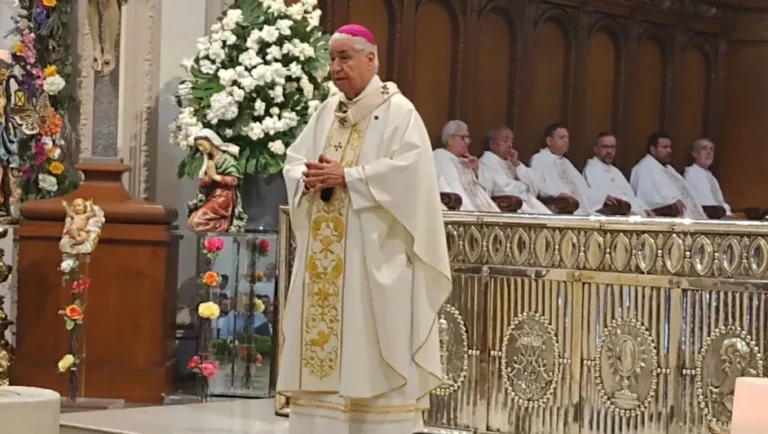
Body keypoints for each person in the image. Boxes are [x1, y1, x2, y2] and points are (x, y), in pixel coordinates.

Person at [278, 24, 452, 434]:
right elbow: (294, 160)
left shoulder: (399, 112)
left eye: (345, 58)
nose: (336, 67)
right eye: (333, 58)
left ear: (371, 60)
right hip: (327, 257)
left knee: (372, 342)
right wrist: (307, 177)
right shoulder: (326, 110)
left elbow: (412, 175)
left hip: (373, 255)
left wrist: (349, 177)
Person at [530, 123, 620, 215]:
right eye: (562, 137)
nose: (566, 141)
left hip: (578, 209)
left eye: (567, 138)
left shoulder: (566, 162)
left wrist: (601, 198)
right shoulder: (539, 159)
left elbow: (583, 189)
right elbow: (537, 186)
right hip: (557, 209)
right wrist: (557, 194)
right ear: (549, 141)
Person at [630, 132, 705, 219]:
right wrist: (672, 205)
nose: (669, 151)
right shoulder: (643, 168)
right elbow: (647, 199)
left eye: (670, 147)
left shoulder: (669, 169)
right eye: (665, 147)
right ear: (653, 149)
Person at [478, 126, 551, 214]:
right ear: (492, 144)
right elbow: (501, 188)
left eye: (511, 141)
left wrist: (517, 164)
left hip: (527, 202)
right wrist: (523, 186)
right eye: (505, 141)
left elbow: (535, 186)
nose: (510, 145)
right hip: (509, 207)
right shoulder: (486, 163)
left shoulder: (511, 163)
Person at [433, 120, 500, 212]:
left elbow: (484, 194)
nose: (467, 142)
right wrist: (472, 213)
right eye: (463, 138)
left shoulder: (466, 161)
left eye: (468, 138)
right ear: (450, 139)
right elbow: (452, 187)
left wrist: (475, 171)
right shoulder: (441, 156)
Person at [583, 132, 653, 216]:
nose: (609, 151)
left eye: (612, 147)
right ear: (596, 149)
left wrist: (642, 209)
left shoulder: (615, 171)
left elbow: (629, 195)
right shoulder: (591, 170)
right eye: (605, 147)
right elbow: (599, 201)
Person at [683, 138, 731, 215]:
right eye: (704, 149)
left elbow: (719, 201)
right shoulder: (692, 174)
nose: (709, 152)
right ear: (695, 154)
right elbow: (706, 205)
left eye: (711, 150)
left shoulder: (710, 176)